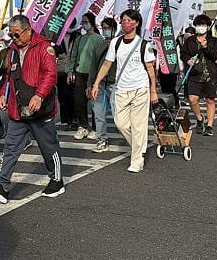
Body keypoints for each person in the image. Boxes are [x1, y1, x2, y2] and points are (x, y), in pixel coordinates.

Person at [0, 15, 64, 203]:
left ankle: (57, 180)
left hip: (40, 109)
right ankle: (2, 185)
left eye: (17, 34)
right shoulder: (13, 51)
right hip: (18, 109)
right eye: (11, 34)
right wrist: (3, 94)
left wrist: (39, 95)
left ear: (28, 31)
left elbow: (50, 75)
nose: (14, 38)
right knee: (10, 148)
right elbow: (9, 76)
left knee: (48, 147)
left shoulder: (44, 47)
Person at [91, 9, 158, 172]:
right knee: (121, 123)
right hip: (121, 89)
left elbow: (151, 70)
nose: (126, 23)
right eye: (123, 20)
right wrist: (96, 83)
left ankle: (137, 161)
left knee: (138, 126)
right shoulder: (116, 42)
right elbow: (107, 64)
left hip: (140, 89)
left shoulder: (144, 45)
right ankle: (138, 147)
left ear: (137, 23)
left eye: (129, 20)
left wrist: (153, 90)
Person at [180, 14, 217, 136]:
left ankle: (209, 125)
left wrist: (206, 47)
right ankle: (199, 118)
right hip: (194, 74)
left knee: (210, 100)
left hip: (209, 74)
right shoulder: (190, 41)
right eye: (198, 24)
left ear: (208, 26)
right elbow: (183, 53)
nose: (201, 27)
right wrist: (188, 60)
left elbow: (216, 56)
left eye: (203, 25)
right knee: (192, 99)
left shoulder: (214, 41)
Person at [66, 12, 103, 140]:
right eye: (82, 22)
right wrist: (70, 71)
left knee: (94, 103)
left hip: (94, 75)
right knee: (78, 101)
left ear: (92, 22)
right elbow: (73, 56)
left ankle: (96, 128)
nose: (83, 24)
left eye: (86, 22)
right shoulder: (79, 39)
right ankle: (83, 126)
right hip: (80, 74)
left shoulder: (99, 39)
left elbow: (101, 58)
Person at [87, 17, 118, 153]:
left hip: (116, 84)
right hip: (99, 85)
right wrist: (90, 84)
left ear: (114, 30)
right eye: (104, 28)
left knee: (119, 115)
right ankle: (102, 139)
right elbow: (93, 67)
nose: (106, 31)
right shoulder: (98, 46)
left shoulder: (120, 45)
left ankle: (130, 136)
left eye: (108, 28)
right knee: (99, 114)